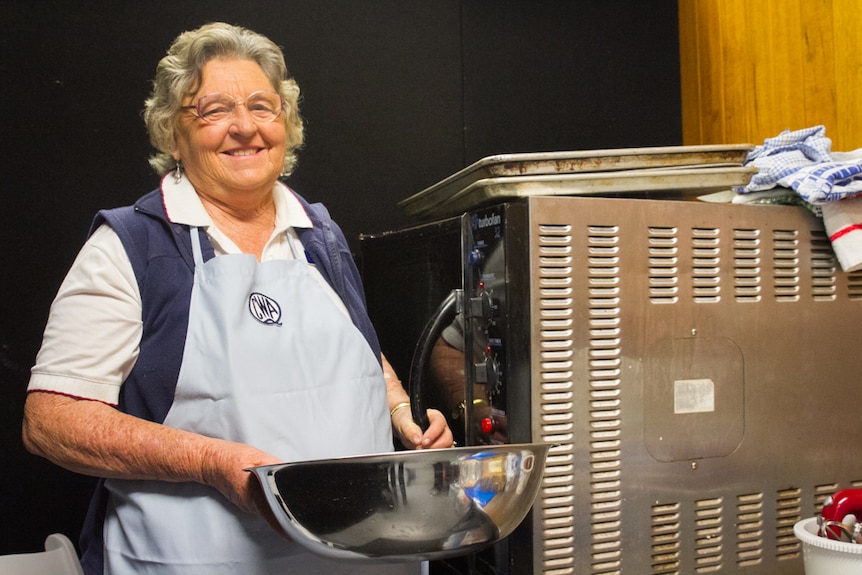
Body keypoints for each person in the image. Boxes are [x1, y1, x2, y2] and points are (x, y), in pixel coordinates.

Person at [22, 22, 452, 575]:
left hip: (359, 560)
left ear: (286, 123)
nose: (244, 126)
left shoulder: (320, 235)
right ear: (172, 134)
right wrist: (212, 461)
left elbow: (356, 353)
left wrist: (402, 414)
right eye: (213, 110)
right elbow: (52, 419)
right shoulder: (132, 245)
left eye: (261, 106)